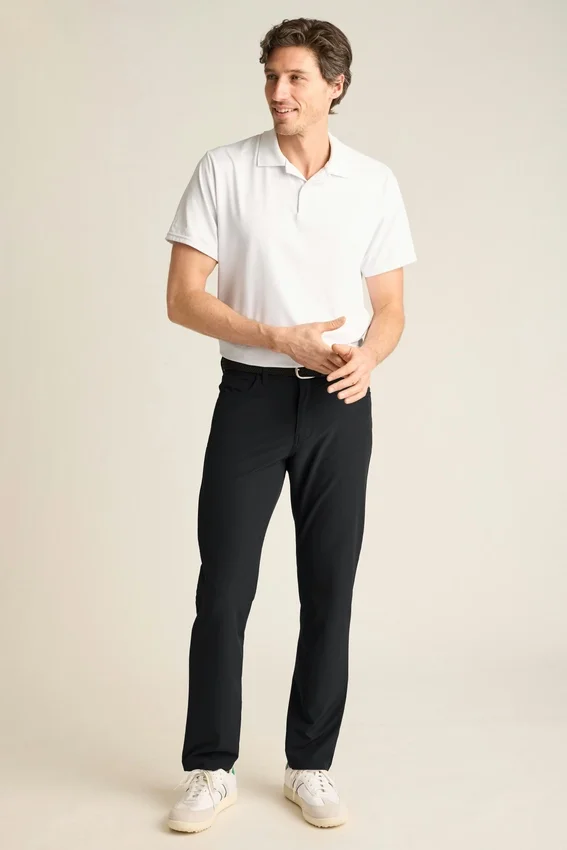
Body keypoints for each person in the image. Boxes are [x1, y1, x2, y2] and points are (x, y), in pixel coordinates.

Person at [164, 17, 417, 833]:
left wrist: (368, 358)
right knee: (224, 589)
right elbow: (183, 299)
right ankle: (210, 767)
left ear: (335, 86)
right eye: (271, 75)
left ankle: (310, 764)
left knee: (329, 590)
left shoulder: (372, 182)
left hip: (340, 401)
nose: (278, 92)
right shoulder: (224, 170)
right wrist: (279, 339)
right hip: (251, 397)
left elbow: (390, 307)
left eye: (296, 77)